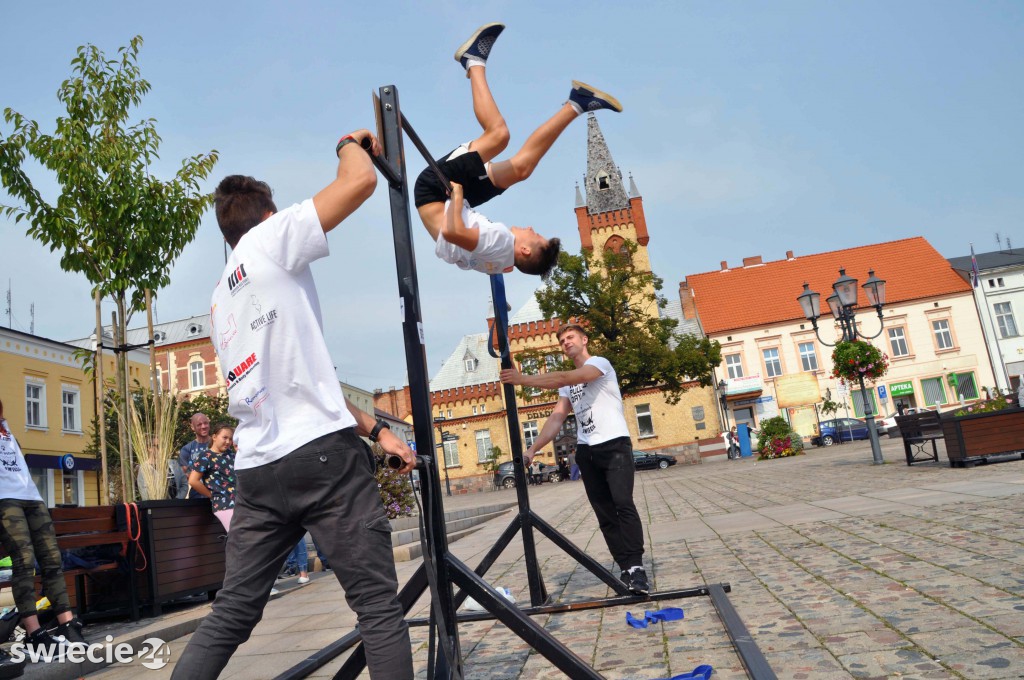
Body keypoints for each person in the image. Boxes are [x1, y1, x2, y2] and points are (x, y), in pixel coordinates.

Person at [171, 128, 415, 680]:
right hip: (321, 460)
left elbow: (304, 380)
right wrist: (348, 142)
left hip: (259, 470)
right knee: (378, 609)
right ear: (267, 215)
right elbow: (358, 181)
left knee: (232, 612)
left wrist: (377, 431)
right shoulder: (270, 239)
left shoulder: (219, 296)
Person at [414, 22, 622, 277]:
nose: (531, 228)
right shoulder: (505, 263)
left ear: (524, 249)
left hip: (436, 190)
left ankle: (473, 61)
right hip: (449, 201)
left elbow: (452, 233)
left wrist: (456, 196)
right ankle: (577, 103)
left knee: (498, 135)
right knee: (522, 168)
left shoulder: (501, 243)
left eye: (534, 235)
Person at [500, 324, 649, 594]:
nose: (565, 342)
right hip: (586, 451)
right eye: (561, 340)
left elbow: (563, 377)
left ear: (584, 339)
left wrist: (522, 380)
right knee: (604, 513)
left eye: (570, 338)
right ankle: (625, 567)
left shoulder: (599, 364)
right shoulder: (568, 389)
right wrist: (533, 449)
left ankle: (637, 567)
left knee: (623, 503)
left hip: (614, 444)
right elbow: (557, 417)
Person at [0, 399, 86, 653]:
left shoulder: (6, 427)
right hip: (5, 499)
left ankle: (67, 623)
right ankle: (34, 631)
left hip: (31, 496)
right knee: (24, 561)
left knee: (51, 558)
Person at [188, 423, 237, 532]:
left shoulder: (231, 455)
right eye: (225, 437)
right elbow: (193, 480)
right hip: (224, 505)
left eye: (230, 439)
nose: (228, 442)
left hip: (240, 503)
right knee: (238, 537)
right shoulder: (205, 456)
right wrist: (211, 495)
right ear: (214, 437)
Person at [176, 413, 211, 499]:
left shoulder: (218, 444)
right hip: (197, 496)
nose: (203, 426)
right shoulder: (186, 449)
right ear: (192, 427)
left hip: (219, 495)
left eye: (206, 423)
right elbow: (186, 475)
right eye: (199, 424)